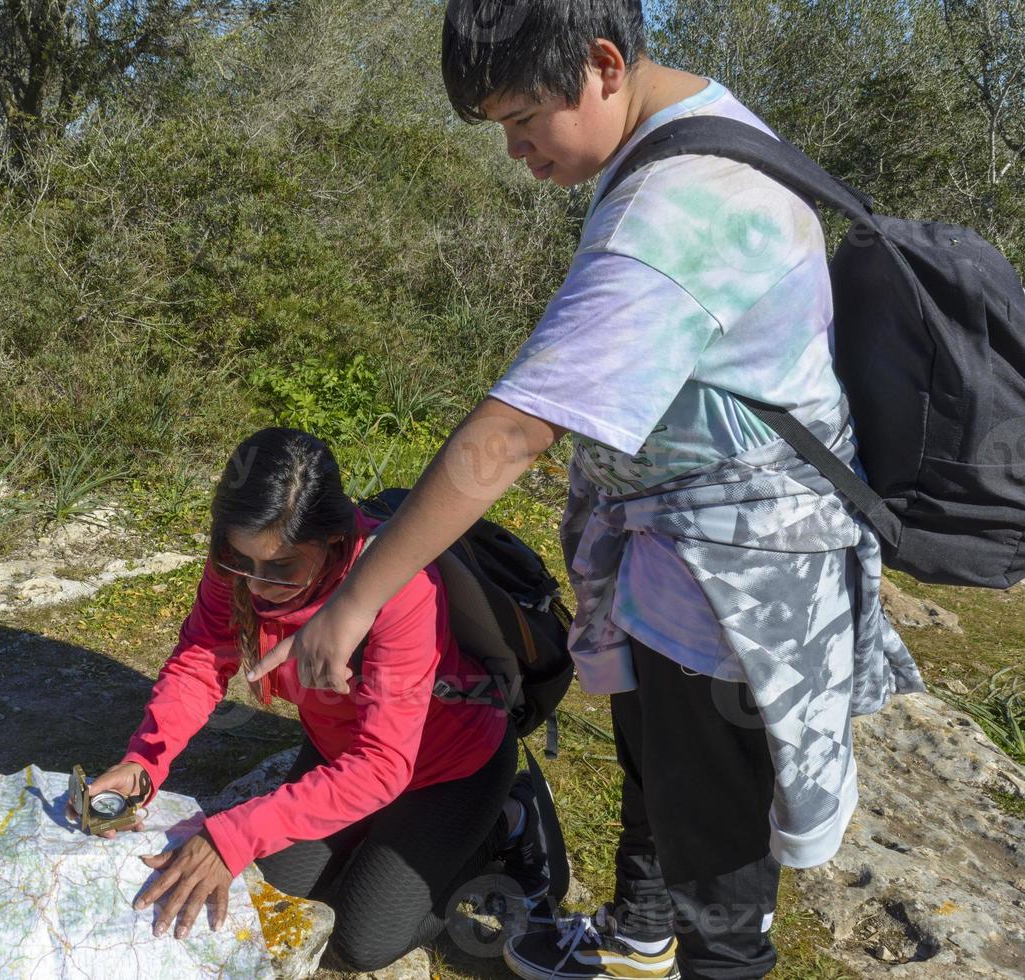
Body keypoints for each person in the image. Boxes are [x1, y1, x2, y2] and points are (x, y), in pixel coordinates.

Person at [243, 3, 924, 979]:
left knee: (721, 886)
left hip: (734, 592)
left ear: (604, 65)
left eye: (523, 119)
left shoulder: (672, 211)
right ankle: (643, 929)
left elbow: (511, 435)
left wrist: (356, 599)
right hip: (688, 564)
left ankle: (695, 949)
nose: (517, 151)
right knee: (655, 768)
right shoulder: (695, 131)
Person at [75, 427, 554, 972]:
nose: (255, 585)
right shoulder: (238, 561)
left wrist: (232, 834)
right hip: (338, 754)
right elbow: (204, 656)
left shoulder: (401, 587)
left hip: (449, 767)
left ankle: (507, 816)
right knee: (276, 899)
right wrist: (144, 762)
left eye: (281, 568)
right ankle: (383, 839)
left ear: (333, 540)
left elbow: (382, 767)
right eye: (239, 561)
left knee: (359, 943)